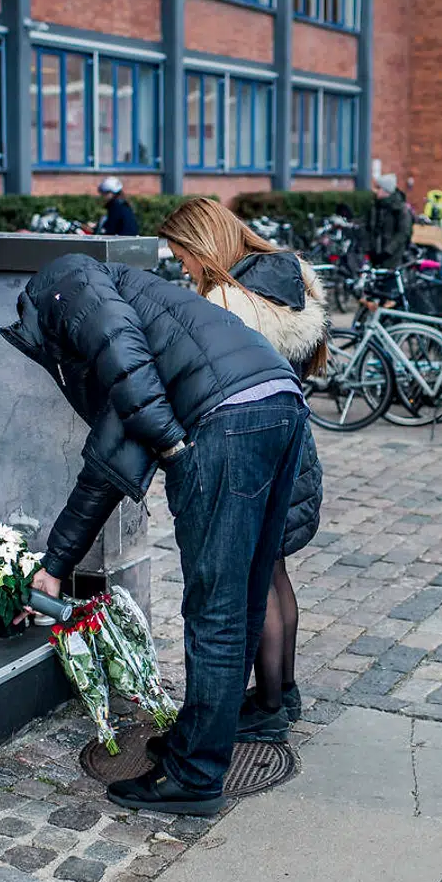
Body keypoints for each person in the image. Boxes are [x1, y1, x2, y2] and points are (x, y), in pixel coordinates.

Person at [0, 252, 307, 816]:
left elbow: (120, 355)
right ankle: (199, 743)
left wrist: (171, 443)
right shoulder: (152, 320)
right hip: (279, 402)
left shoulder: (66, 278)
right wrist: (56, 565)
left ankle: (195, 779)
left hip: (226, 421)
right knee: (237, 601)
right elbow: (107, 466)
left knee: (215, 610)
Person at [157, 197, 328, 744]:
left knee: (261, 573)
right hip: (294, 437)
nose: (182, 267)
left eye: (183, 255)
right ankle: (285, 691)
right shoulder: (288, 275)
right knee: (274, 570)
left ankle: (270, 706)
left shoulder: (231, 301)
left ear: (203, 244)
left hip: (254, 447)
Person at [367, 173, 413, 268]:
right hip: (375, 255)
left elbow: (403, 232)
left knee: (390, 280)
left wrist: (388, 250)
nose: (375, 191)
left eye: (378, 188)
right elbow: (368, 227)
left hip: (393, 257)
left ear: (386, 191)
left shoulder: (400, 209)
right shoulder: (375, 207)